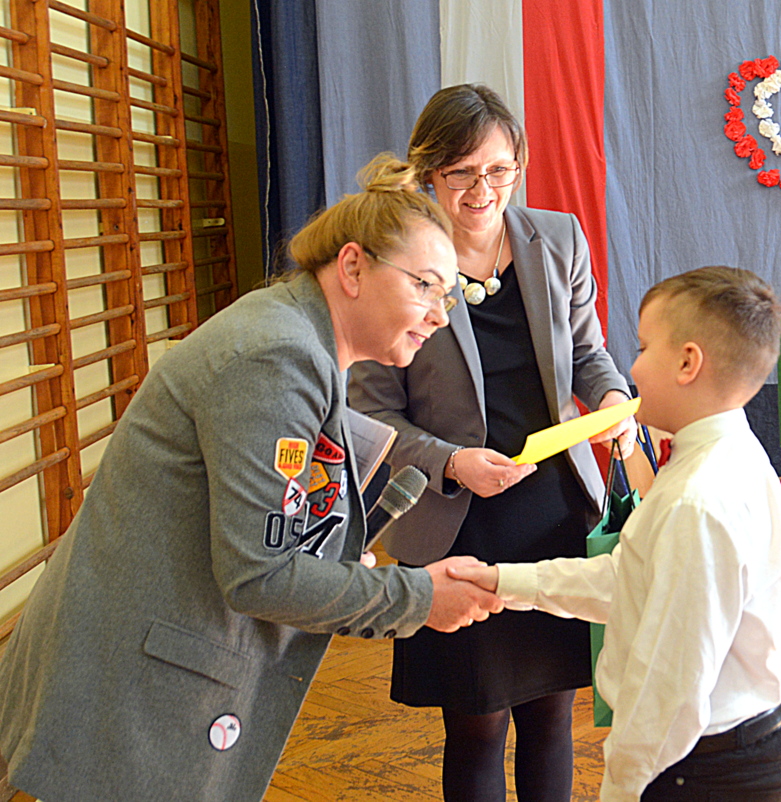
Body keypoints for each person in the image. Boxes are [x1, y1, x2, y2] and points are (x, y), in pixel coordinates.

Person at [0, 154, 504, 802]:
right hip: (128, 684)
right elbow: (260, 573)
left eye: (448, 295)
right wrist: (418, 599)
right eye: (425, 286)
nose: (439, 315)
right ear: (353, 267)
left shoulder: (297, 336)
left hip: (145, 658)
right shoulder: (278, 354)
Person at [348, 84, 637, 801]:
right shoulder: (399, 256)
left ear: (520, 165)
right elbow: (371, 410)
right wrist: (451, 462)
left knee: (553, 716)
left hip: (554, 509)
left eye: (500, 170)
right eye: (462, 173)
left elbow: (588, 353)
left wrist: (609, 398)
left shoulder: (557, 238)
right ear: (428, 173)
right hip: (460, 521)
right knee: (476, 724)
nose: (483, 190)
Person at [451, 267, 781, 801]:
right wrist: (503, 582)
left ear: (688, 362)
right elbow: (631, 581)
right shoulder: (724, 451)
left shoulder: (697, 502)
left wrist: (621, 788)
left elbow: (671, 689)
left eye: (643, 348)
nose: (632, 368)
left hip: (705, 764)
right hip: (735, 742)